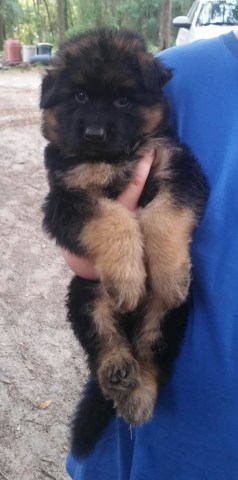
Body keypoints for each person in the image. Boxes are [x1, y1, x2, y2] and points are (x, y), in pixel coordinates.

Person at [65, 30, 238, 479]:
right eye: (80, 96)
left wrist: (162, 242)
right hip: (166, 437)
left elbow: (187, 186)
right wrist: (113, 240)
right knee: (89, 300)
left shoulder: (160, 100)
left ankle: (146, 368)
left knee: (171, 305)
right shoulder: (189, 73)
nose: (97, 124)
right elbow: (68, 222)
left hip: (208, 394)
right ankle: (111, 358)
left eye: (123, 102)